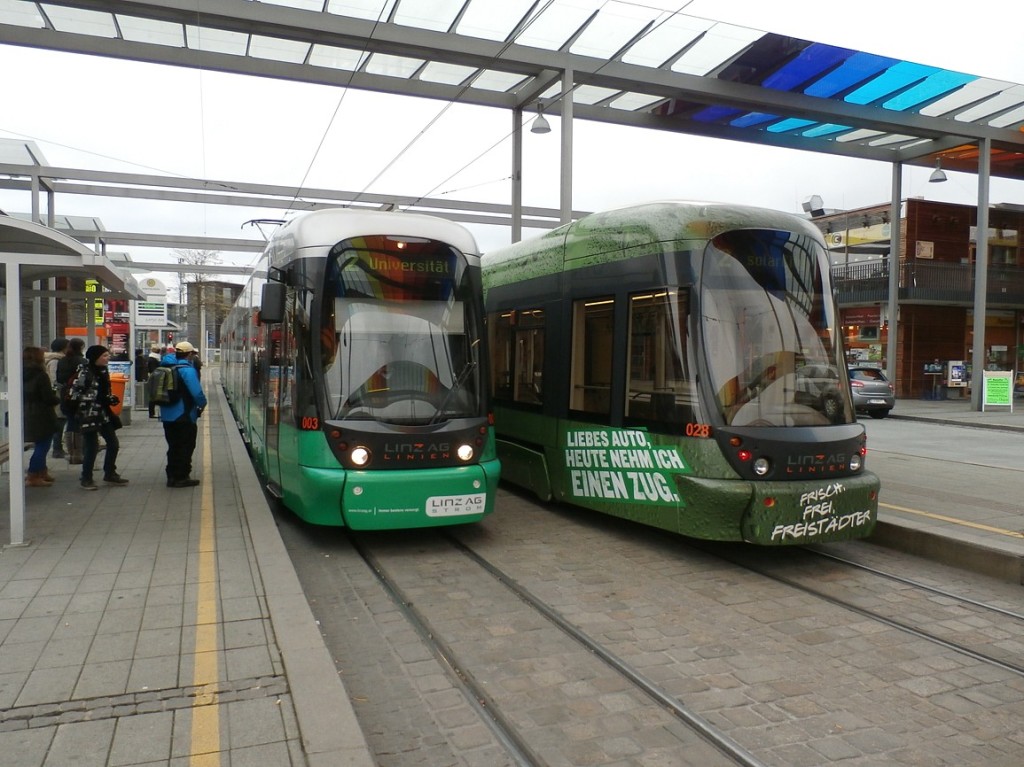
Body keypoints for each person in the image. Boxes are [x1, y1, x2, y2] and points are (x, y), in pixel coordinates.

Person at [66, 345, 129, 490]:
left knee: (113, 443)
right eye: (105, 356)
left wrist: (109, 398)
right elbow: (74, 394)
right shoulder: (84, 372)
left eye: (108, 355)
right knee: (92, 446)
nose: (108, 358)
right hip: (88, 414)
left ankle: (110, 472)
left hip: (102, 412)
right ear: (96, 357)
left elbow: (103, 391)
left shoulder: (103, 371)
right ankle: (86, 478)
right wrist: (96, 399)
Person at [159, 341, 207, 488]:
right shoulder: (187, 370)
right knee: (185, 446)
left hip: (167, 415)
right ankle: (181, 477)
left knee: (173, 446)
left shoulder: (164, 367)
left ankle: (171, 476)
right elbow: (197, 392)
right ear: (189, 354)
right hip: (184, 415)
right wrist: (202, 404)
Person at [23, 347, 60, 488]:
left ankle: (41, 471)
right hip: (41, 413)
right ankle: (33, 474)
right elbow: (47, 398)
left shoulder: (20, 373)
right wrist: (57, 399)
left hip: (26, 411)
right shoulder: (40, 375)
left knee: (40, 443)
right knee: (43, 444)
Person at [56, 338, 86, 464]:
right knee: (78, 423)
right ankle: (78, 452)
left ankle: (72, 451)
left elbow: (59, 378)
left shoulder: (62, 361)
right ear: (81, 347)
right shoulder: (82, 361)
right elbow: (84, 380)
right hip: (79, 396)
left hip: (65, 395)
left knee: (70, 422)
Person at [44, 338, 69, 460]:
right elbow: (54, 380)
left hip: (57, 395)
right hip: (57, 396)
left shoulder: (55, 359)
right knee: (59, 422)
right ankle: (57, 449)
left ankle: (58, 447)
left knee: (60, 421)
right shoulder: (55, 361)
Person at [146, 343, 162, 418]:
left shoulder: (151, 358)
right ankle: (152, 413)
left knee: (153, 395)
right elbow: (154, 369)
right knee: (153, 396)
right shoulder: (154, 359)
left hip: (153, 378)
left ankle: (152, 412)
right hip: (155, 379)